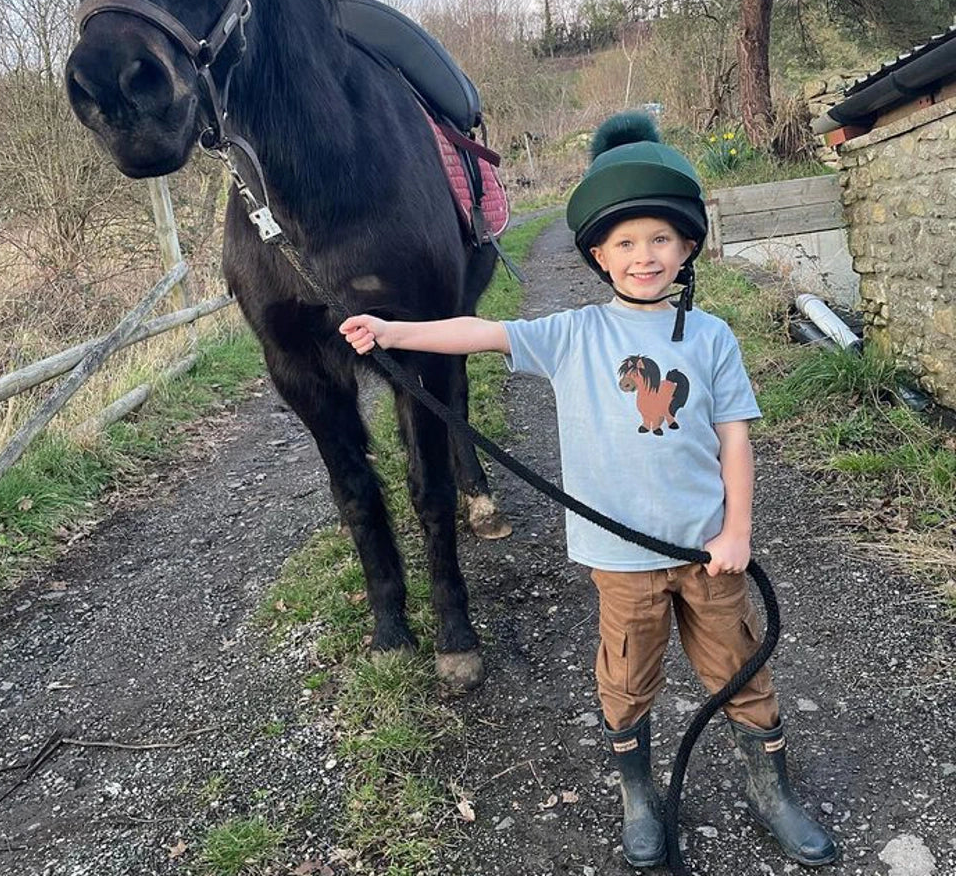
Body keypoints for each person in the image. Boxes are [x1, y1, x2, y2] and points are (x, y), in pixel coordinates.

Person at [339, 112, 837, 869]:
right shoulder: (573, 334)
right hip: (622, 559)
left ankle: (770, 789)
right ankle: (640, 793)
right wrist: (393, 330)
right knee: (627, 678)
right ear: (600, 256)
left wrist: (737, 530)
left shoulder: (711, 338)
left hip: (708, 553)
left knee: (739, 667)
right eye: (627, 244)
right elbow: (479, 334)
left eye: (661, 241)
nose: (645, 257)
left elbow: (736, 438)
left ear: (688, 248)